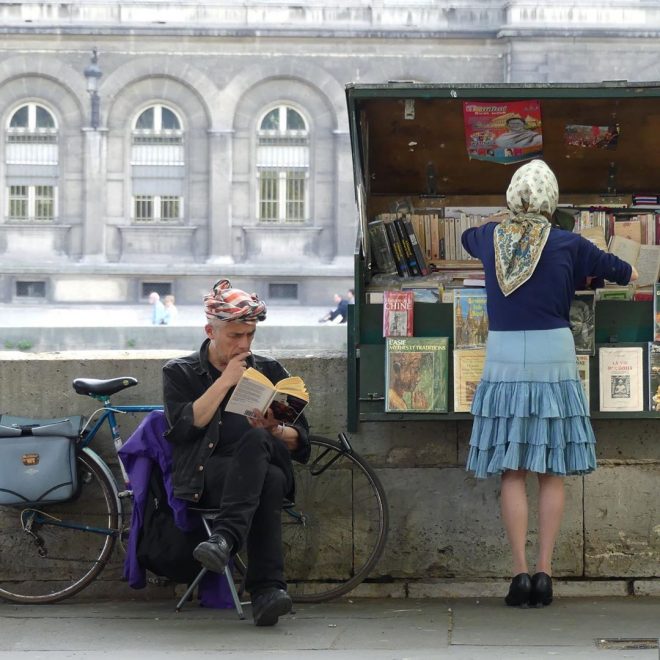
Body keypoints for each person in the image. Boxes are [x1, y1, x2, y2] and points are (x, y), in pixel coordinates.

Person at [461, 159, 638, 608]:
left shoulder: (488, 238)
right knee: (551, 469)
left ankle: (518, 574)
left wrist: (505, 220)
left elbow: (466, 236)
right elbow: (627, 273)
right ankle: (545, 573)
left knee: (513, 471)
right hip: (553, 356)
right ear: (552, 202)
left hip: (503, 357)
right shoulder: (568, 243)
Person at [162, 278, 311, 626]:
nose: (243, 344)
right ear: (210, 331)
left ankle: (224, 539)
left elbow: (302, 439)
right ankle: (267, 592)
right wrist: (226, 380)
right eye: (235, 336)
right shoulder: (179, 371)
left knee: (260, 441)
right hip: (209, 474)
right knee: (270, 481)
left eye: (250, 336)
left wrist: (276, 429)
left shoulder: (270, 370)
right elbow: (184, 428)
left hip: (261, 458)